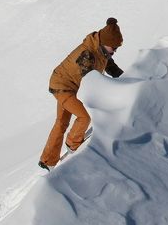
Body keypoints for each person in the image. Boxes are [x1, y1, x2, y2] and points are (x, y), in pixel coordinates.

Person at [38, 17, 124, 170]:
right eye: (114, 48)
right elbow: (90, 80)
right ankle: (73, 146)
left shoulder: (102, 51)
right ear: (105, 42)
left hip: (69, 85)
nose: (114, 51)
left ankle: (47, 161)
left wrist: (126, 80)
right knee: (84, 116)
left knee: (61, 122)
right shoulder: (86, 54)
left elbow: (112, 69)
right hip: (62, 86)